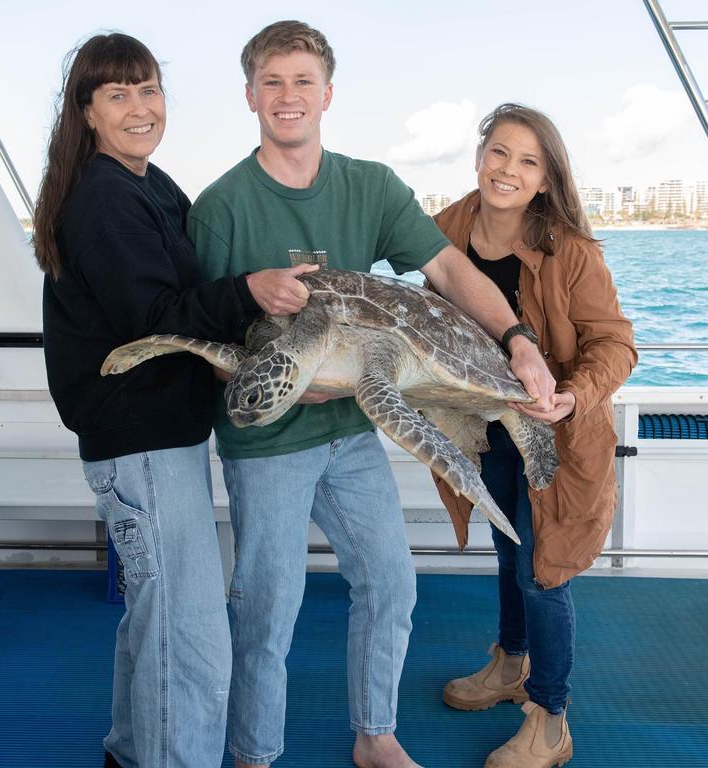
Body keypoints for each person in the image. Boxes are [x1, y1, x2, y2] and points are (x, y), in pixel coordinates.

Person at [187, 22, 556, 768]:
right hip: (268, 443)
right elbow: (203, 329)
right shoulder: (221, 206)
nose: (287, 96)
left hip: (354, 427)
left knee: (391, 581)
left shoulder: (370, 185)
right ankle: (255, 754)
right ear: (250, 93)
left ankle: (375, 735)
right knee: (267, 608)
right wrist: (290, 384)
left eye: (302, 81)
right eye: (272, 81)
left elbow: (450, 272)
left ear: (328, 93)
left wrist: (518, 339)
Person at [33, 32, 318, 768]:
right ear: (87, 112)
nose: (140, 108)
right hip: (140, 444)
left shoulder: (150, 185)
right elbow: (156, 317)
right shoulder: (102, 197)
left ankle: (131, 753)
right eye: (118, 94)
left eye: (149, 89)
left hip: (163, 438)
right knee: (190, 638)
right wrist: (250, 289)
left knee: (154, 621)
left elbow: (183, 300)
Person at [432, 103, 637, 768]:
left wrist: (574, 395)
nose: (508, 170)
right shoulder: (442, 230)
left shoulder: (571, 254)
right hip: (484, 431)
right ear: (479, 156)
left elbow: (616, 342)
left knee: (542, 575)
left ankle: (549, 717)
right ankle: (510, 664)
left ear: (546, 179)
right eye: (499, 152)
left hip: (559, 438)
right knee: (507, 548)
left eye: (527, 161)